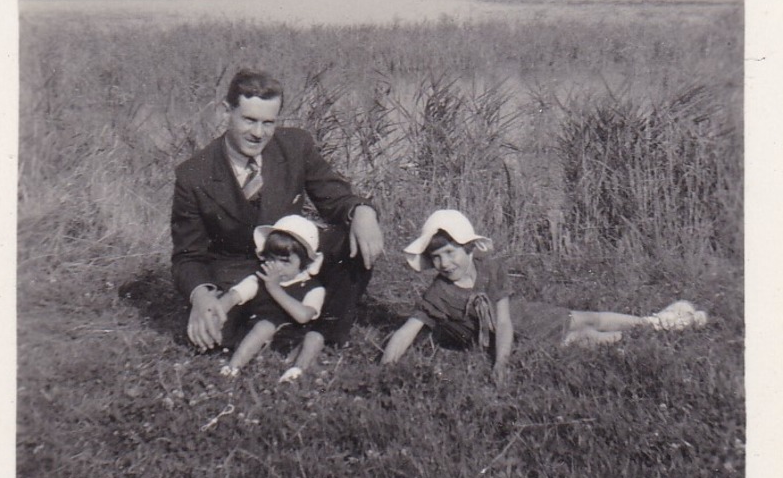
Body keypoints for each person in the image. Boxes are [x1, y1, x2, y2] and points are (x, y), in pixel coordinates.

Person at [171, 67, 384, 365]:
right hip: (239, 273)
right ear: (226, 111)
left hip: (293, 258)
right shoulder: (194, 174)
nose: (258, 133)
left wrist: (362, 210)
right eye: (249, 120)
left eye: (268, 123)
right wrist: (202, 295)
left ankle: (325, 332)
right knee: (213, 338)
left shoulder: (296, 145)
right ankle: (274, 327)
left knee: (351, 241)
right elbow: (187, 255)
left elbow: (334, 197)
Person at [381, 209, 707, 384]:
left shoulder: (489, 268)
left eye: (450, 253)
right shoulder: (438, 294)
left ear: (468, 247)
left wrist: (501, 365)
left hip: (523, 320)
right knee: (586, 337)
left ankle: (657, 324)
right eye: (436, 258)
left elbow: (505, 320)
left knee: (583, 317)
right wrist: (384, 369)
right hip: (515, 340)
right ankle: (643, 334)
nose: (444, 264)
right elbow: (405, 332)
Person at [218, 215, 327, 384]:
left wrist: (274, 288)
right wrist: (214, 315)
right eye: (271, 259)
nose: (275, 267)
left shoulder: (314, 288)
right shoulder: (258, 280)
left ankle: (295, 372)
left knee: (315, 338)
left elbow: (303, 316)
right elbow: (233, 296)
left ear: (305, 263)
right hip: (254, 340)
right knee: (265, 326)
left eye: (284, 262)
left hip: (290, 344)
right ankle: (232, 368)